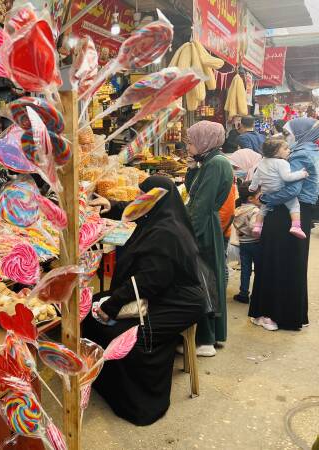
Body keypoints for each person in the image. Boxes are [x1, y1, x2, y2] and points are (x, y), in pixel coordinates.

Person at [83, 176, 205, 426]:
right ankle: (102, 379)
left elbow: (150, 280)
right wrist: (112, 205)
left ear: (155, 200)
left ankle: (139, 405)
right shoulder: (161, 215)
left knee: (130, 337)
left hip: (178, 303)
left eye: (142, 195)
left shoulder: (166, 232)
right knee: (89, 307)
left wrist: (112, 305)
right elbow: (135, 208)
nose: (138, 199)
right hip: (160, 291)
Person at [249, 118, 319, 331]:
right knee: (291, 263)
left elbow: (292, 190)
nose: (286, 138)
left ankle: (274, 314)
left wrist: (265, 199)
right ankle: (289, 315)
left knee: (277, 263)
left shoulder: (299, 154)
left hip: (283, 215)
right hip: (296, 214)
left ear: (301, 133)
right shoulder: (311, 151)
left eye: (288, 134)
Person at [184, 121, 233, 356]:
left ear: (205, 141)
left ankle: (206, 340)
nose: (188, 146)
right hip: (205, 225)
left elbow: (201, 206)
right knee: (205, 278)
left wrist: (187, 235)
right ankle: (206, 337)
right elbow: (193, 191)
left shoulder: (216, 164)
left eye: (191, 142)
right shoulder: (209, 161)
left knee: (204, 280)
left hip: (204, 228)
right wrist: (192, 168)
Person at [249, 138, 308, 239]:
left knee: (263, 209)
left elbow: (256, 177)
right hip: (279, 190)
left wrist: (252, 187)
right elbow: (287, 177)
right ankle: (296, 227)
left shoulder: (262, 161)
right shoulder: (282, 163)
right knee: (294, 206)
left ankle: (257, 227)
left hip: (267, 191)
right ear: (275, 151)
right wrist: (302, 174)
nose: (289, 150)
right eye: (285, 149)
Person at [233, 181, 261, 304]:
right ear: (250, 198)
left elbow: (237, 225)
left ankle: (243, 294)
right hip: (255, 243)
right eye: (259, 196)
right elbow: (253, 227)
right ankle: (258, 294)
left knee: (245, 270)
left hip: (243, 244)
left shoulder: (238, 210)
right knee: (259, 269)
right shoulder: (255, 210)